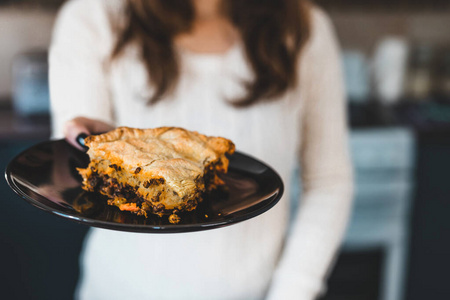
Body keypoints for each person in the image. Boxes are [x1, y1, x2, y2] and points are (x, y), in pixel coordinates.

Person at [49, 0, 353, 299]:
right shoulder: (92, 17)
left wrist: (293, 291)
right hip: (118, 290)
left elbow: (329, 182)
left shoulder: (304, 29)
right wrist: (88, 141)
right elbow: (73, 161)